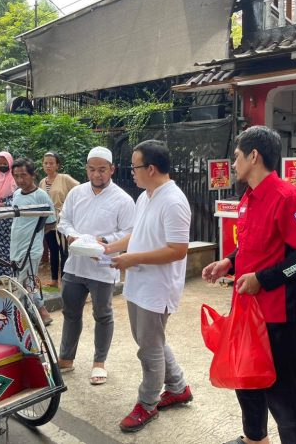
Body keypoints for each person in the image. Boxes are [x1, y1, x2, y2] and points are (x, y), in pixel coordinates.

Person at [203, 125, 296, 444]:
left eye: (237, 156)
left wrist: (263, 279)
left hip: (278, 314)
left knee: (283, 395)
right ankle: (255, 439)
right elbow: (254, 244)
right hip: (247, 310)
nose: (233, 163)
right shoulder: (249, 197)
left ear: (254, 156)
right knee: (246, 380)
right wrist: (229, 260)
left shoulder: (288, 198)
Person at [103, 140, 192, 433]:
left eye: (135, 166)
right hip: (139, 282)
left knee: (149, 348)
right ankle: (178, 386)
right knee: (151, 340)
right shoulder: (146, 196)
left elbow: (178, 250)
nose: (132, 172)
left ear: (151, 169)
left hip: (156, 287)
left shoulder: (174, 200)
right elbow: (137, 234)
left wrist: (132, 259)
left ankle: (148, 403)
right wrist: (105, 248)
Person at [57, 146, 135, 385]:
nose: (97, 174)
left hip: (102, 265)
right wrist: (71, 236)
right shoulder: (77, 193)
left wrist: (106, 242)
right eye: (92, 169)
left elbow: (130, 231)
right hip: (75, 264)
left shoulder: (123, 199)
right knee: (70, 312)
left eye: (102, 170)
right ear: (86, 169)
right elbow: (64, 221)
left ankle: (99, 362)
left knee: (102, 314)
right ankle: (66, 358)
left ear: (112, 169)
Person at [10, 157, 57, 326]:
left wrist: (35, 235)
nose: (20, 180)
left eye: (23, 175)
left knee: (28, 280)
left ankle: (36, 313)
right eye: (16, 176)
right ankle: (33, 314)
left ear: (33, 175)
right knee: (22, 280)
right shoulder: (16, 194)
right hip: (15, 246)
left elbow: (51, 222)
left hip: (32, 248)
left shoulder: (41, 196)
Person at [39, 151, 79, 287]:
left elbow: (79, 189)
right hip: (48, 221)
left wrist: (69, 206)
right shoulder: (42, 182)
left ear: (57, 165)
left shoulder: (64, 178)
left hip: (62, 220)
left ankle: (64, 279)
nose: (48, 166)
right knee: (53, 250)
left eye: (51, 163)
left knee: (64, 250)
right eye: (46, 163)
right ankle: (54, 279)